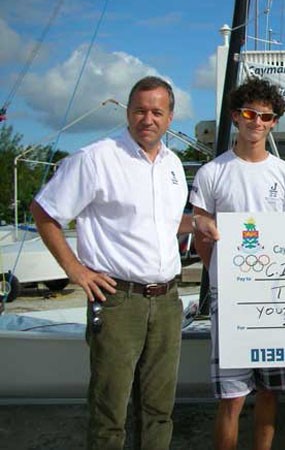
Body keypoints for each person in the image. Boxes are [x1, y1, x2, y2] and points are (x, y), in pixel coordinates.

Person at [30, 76, 195, 449]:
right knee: (110, 413)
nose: (147, 119)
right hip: (119, 301)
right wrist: (76, 270)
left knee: (159, 410)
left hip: (168, 301)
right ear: (127, 112)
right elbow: (44, 212)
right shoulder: (96, 158)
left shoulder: (173, 164)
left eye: (157, 111)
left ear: (170, 117)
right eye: (140, 110)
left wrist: (200, 222)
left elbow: (165, 223)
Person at [189, 77, 285, 450]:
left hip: (275, 298)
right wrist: (221, 277)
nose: (257, 122)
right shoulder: (212, 172)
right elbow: (202, 237)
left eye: (266, 116)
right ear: (235, 117)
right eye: (249, 113)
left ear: (274, 122)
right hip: (231, 302)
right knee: (232, 398)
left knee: (270, 394)